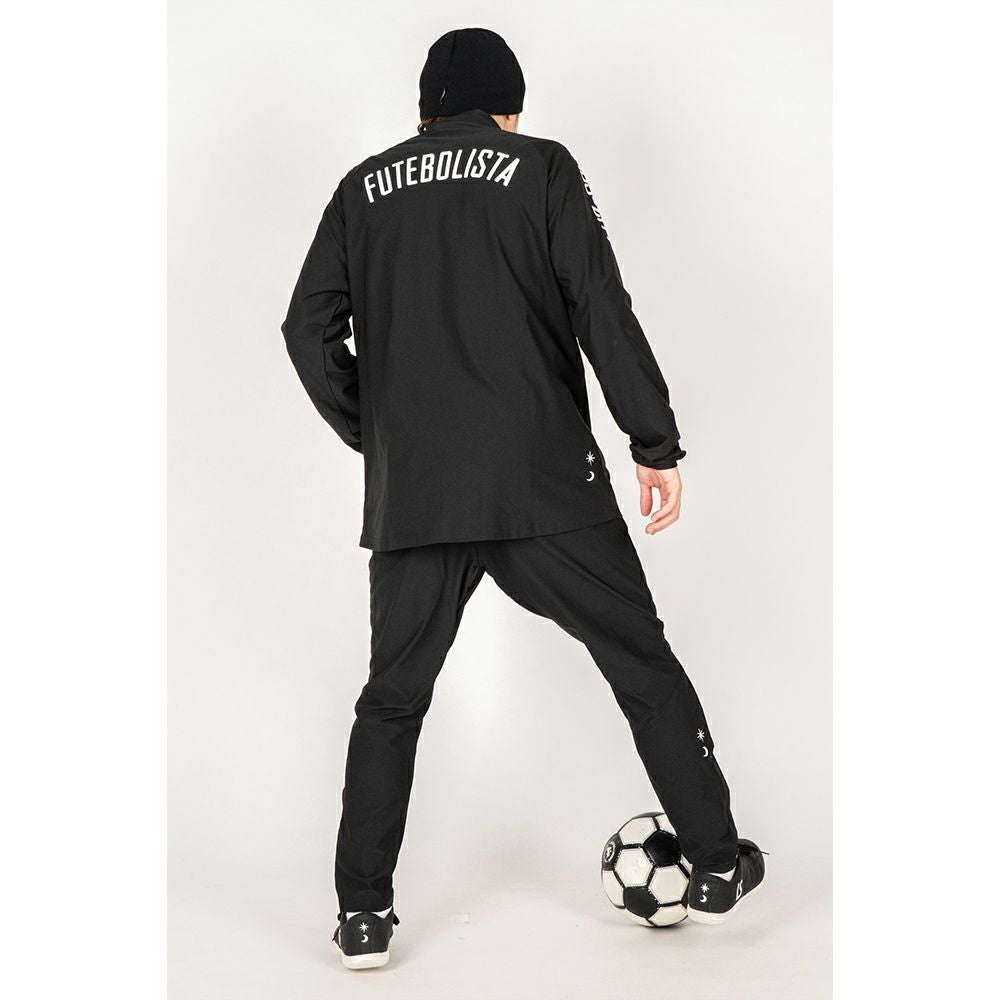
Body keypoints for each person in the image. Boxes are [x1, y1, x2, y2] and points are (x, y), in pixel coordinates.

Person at [281, 27, 764, 970]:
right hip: (544, 484)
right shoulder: (540, 168)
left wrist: (380, 434)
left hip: (418, 498)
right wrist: (654, 440)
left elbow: (306, 329)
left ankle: (363, 916)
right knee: (640, 663)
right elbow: (600, 306)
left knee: (392, 701)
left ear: (425, 112)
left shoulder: (361, 188)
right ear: (509, 109)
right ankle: (714, 867)